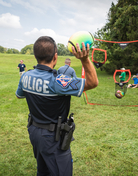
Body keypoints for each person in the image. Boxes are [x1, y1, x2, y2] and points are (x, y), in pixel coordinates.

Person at [15, 36, 98, 176]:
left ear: (35, 56)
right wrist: (84, 59)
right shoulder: (59, 81)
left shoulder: (26, 76)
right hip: (53, 138)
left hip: (34, 131)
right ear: (55, 57)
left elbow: (19, 95)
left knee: (43, 170)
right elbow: (93, 82)